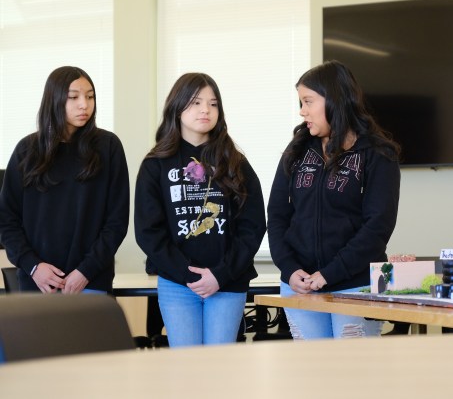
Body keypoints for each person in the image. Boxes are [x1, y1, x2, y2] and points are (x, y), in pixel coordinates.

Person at [267, 60, 401, 340]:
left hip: (358, 284)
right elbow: (277, 215)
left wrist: (329, 273)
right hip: (300, 285)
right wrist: (289, 269)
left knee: (354, 368)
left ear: (334, 99)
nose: (302, 111)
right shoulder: (297, 150)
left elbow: (378, 227)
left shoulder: (378, 154)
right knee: (311, 367)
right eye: (301, 102)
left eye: (308, 101)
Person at [134, 73, 266, 347]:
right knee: (187, 365)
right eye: (196, 102)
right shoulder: (155, 164)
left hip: (227, 281)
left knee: (220, 364)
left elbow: (252, 226)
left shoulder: (235, 162)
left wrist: (221, 274)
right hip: (177, 283)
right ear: (177, 107)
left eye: (213, 103)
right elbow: (148, 232)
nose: (205, 109)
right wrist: (188, 275)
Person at [0, 66, 129, 294]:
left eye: (90, 96)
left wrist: (85, 272)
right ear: (54, 99)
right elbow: (6, 220)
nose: (84, 104)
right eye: (73, 97)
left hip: (90, 282)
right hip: (38, 285)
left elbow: (116, 222)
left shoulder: (108, 147)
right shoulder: (27, 150)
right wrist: (33, 266)